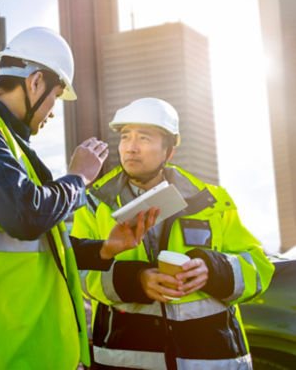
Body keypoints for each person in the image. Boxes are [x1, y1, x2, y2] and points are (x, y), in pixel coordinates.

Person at [0, 27, 159, 370]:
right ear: (34, 83)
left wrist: (103, 249)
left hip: (24, 346)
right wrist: (79, 178)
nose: (52, 111)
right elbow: (26, 217)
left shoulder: (13, 147)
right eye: (56, 96)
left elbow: (40, 245)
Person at [72, 97, 275, 370]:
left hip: (213, 361)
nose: (130, 148)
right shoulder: (94, 205)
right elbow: (79, 274)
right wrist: (135, 280)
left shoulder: (212, 201)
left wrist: (213, 270)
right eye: (125, 137)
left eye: (144, 138)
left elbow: (259, 267)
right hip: (126, 360)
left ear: (168, 152)